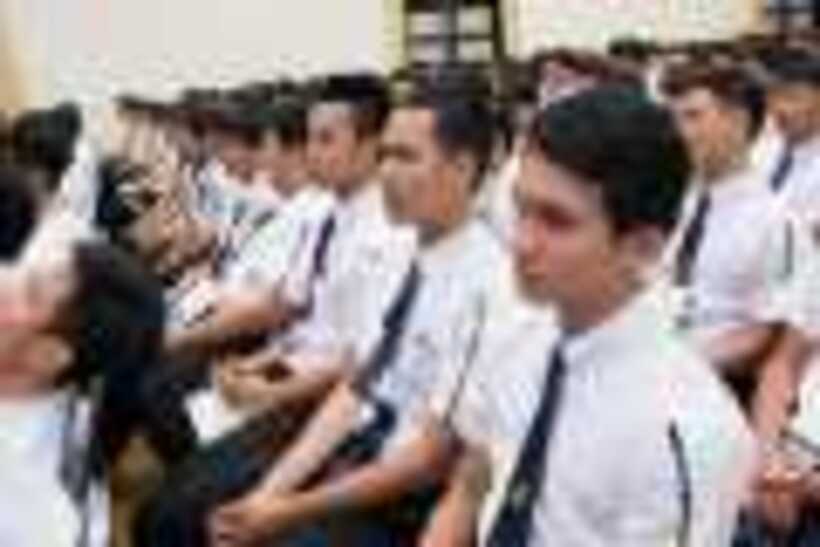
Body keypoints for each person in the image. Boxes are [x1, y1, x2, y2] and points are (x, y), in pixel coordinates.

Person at [420, 84, 754, 547]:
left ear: (642, 247)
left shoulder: (679, 425)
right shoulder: (515, 333)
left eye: (556, 221)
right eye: (521, 209)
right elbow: (472, 483)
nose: (522, 242)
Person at [207, 76, 501, 547]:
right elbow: (357, 384)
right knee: (202, 513)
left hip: (408, 499)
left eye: (406, 157)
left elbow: (428, 462)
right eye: (384, 155)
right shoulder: (400, 251)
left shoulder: (488, 283)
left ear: (463, 168)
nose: (386, 173)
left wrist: (288, 510)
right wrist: (269, 495)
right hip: (359, 446)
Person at [662, 63, 810, 441]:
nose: (679, 132)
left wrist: (679, 363)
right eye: (674, 118)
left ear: (739, 121)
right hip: (662, 378)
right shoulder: (675, 204)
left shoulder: (775, 221)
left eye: (693, 116)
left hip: (722, 397)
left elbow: (765, 334)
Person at [0, 241, 165, 547]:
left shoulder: (20, 504)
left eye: (30, 293)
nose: (3, 279)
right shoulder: (64, 397)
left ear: (48, 356)